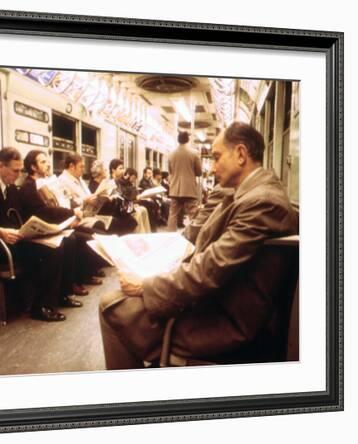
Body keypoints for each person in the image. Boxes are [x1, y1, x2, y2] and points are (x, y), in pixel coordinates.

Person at [99, 122, 299, 368]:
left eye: (216, 158)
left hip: (222, 320)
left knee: (110, 306)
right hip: (218, 299)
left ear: (240, 154)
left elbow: (209, 269)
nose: (212, 168)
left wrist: (146, 285)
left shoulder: (261, 203)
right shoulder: (251, 194)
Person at [0, 147, 68, 322]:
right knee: (49, 252)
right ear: (1, 166)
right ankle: (40, 307)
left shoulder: (12, 189)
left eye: (20, 170)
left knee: (56, 245)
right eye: (15, 170)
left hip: (14, 241)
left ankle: (48, 300)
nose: (18, 174)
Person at [19, 149, 103, 288]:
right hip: (43, 228)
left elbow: (57, 204)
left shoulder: (45, 182)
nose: (48, 164)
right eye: (43, 162)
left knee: (87, 235)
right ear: (33, 167)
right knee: (72, 240)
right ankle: (68, 287)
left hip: (57, 222)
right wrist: (71, 214)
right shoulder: (29, 187)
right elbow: (44, 211)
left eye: (47, 161)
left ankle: (78, 279)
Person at [167, 131, 202, 230]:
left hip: (175, 190)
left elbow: (170, 171)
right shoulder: (194, 153)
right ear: (188, 139)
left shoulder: (171, 154)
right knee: (193, 215)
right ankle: (194, 236)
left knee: (172, 214)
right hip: (189, 190)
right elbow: (199, 172)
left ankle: (171, 236)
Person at [109, 159, 151, 233]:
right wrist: (131, 206)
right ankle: (140, 237)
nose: (123, 170)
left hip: (124, 208)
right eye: (120, 168)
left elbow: (125, 198)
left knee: (142, 210)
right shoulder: (112, 183)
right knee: (137, 213)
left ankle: (147, 234)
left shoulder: (119, 182)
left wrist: (131, 205)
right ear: (113, 170)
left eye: (123, 168)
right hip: (118, 212)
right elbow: (118, 201)